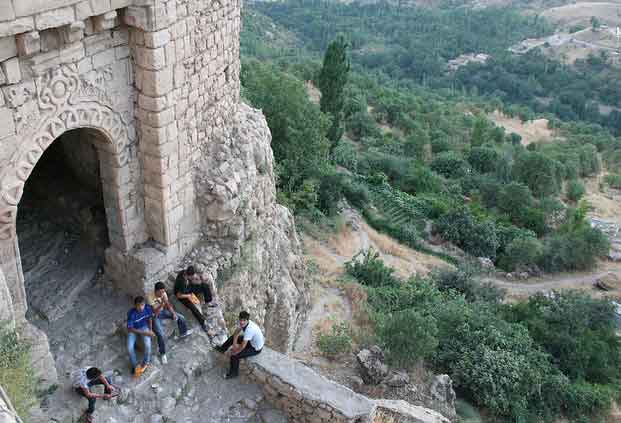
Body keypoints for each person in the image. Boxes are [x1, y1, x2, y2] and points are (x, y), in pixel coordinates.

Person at [149, 282, 194, 364]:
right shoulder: (150, 297)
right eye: (161, 292)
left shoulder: (164, 294)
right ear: (156, 291)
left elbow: (168, 305)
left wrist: (173, 313)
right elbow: (155, 312)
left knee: (181, 317)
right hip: (155, 316)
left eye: (163, 291)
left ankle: (183, 333)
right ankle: (163, 353)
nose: (163, 293)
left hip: (163, 312)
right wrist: (162, 303)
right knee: (160, 334)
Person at [215, 311, 264, 379]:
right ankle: (222, 349)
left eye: (244, 320)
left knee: (234, 356)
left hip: (255, 348)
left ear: (247, 320)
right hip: (251, 341)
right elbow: (236, 332)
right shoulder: (243, 324)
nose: (242, 322)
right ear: (239, 319)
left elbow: (243, 346)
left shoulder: (249, 329)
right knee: (232, 338)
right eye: (241, 320)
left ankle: (234, 373)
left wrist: (235, 351)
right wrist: (234, 344)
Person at [174, 265, 214, 332]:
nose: (193, 277)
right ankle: (203, 323)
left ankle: (208, 301)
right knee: (193, 307)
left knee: (204, 286)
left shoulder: (185, 273)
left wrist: (197, 282)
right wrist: (188, 296)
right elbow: (178, 295)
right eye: (192, 276)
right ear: (189, 275)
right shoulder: (181, 281)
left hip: (188, 289)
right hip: (183, 295)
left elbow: (192, 282)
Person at [127, 296, 155, 377]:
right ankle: (135, 366)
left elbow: (149, 319)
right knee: (129, 347)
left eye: (142, 305)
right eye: (139, 305)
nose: (141, 307)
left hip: (144, 326)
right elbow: (130, 328)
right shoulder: (131, 313)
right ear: (135, 306)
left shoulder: (147, 308)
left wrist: (150, 330)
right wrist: (145, 333)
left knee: (148, 345)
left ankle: (146, 362)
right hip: (133, 329)